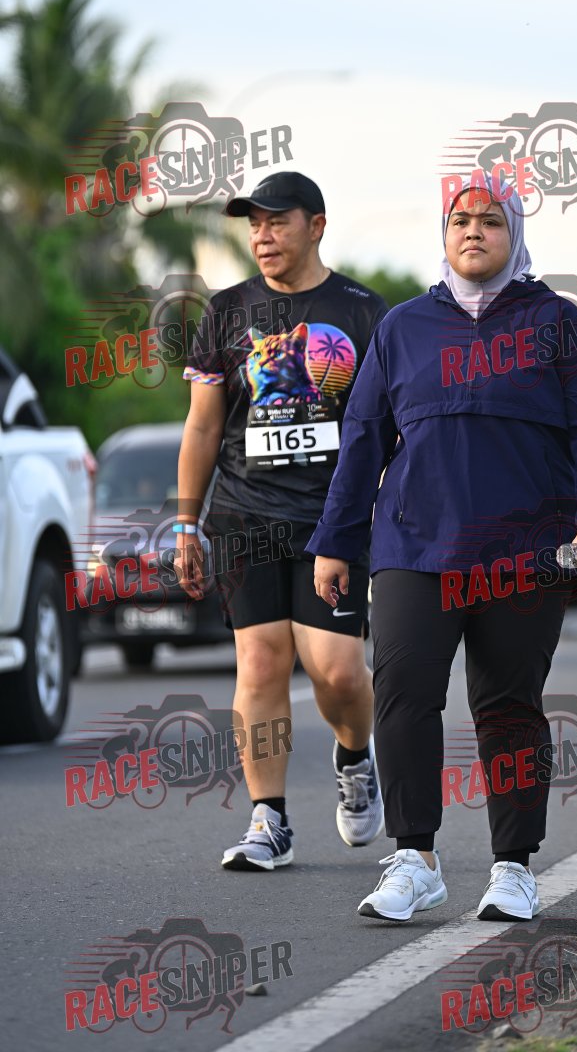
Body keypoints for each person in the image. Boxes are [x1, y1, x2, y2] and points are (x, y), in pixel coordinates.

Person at [307, 173, 577, 922]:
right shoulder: (404, 328)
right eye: (460, 219)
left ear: (515, 233)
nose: (473, 230)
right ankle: (414, 859)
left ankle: (513, 867)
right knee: (403, 692)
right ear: (444, 235)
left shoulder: (558, 323)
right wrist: (337, 541)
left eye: (490, 219)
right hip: (414, 545)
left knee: (508, 704)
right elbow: (363, 438)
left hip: (526, 549)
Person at [176, 171, 387, 870]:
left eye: (277, 221)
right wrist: (186, 523)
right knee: (261, 661)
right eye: (254, 224)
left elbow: (388, 426)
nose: (262, 236)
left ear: (316, 225)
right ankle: (269, 820)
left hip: (334, 518)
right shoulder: (227, 311)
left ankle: (355, 757)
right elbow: (203, 427)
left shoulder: (363, 312)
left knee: (338, 670)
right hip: (245, 513)